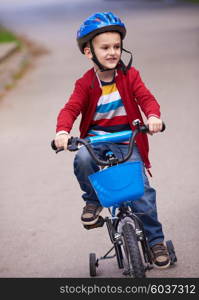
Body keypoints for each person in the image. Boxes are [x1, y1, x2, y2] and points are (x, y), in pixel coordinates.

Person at [54, 12, 170, 269]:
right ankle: (93, 200)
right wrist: (62, 132)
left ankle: (155, 241)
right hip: (96, 141)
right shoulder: (85, 83)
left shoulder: (130, 76)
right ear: (89, 52)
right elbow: (70, 109)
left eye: (117, 46)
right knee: (82, 158)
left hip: (127, 140)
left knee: (142, 193)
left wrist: (153, 116)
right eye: (105, 47)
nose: (112, 52)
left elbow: (147, 99)